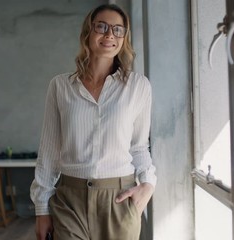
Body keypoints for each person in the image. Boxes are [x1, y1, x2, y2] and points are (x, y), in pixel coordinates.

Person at [30, 4, 157, 240]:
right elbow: (48, 152)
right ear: (88, 32)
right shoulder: (60, 86)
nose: (110, 34)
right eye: (102, 26)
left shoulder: (138, 86)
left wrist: (148, 184)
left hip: (118, 200)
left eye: (118, 30)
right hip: (70, 200)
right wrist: (41, 209)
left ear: (124, 38)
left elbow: (139, 146)